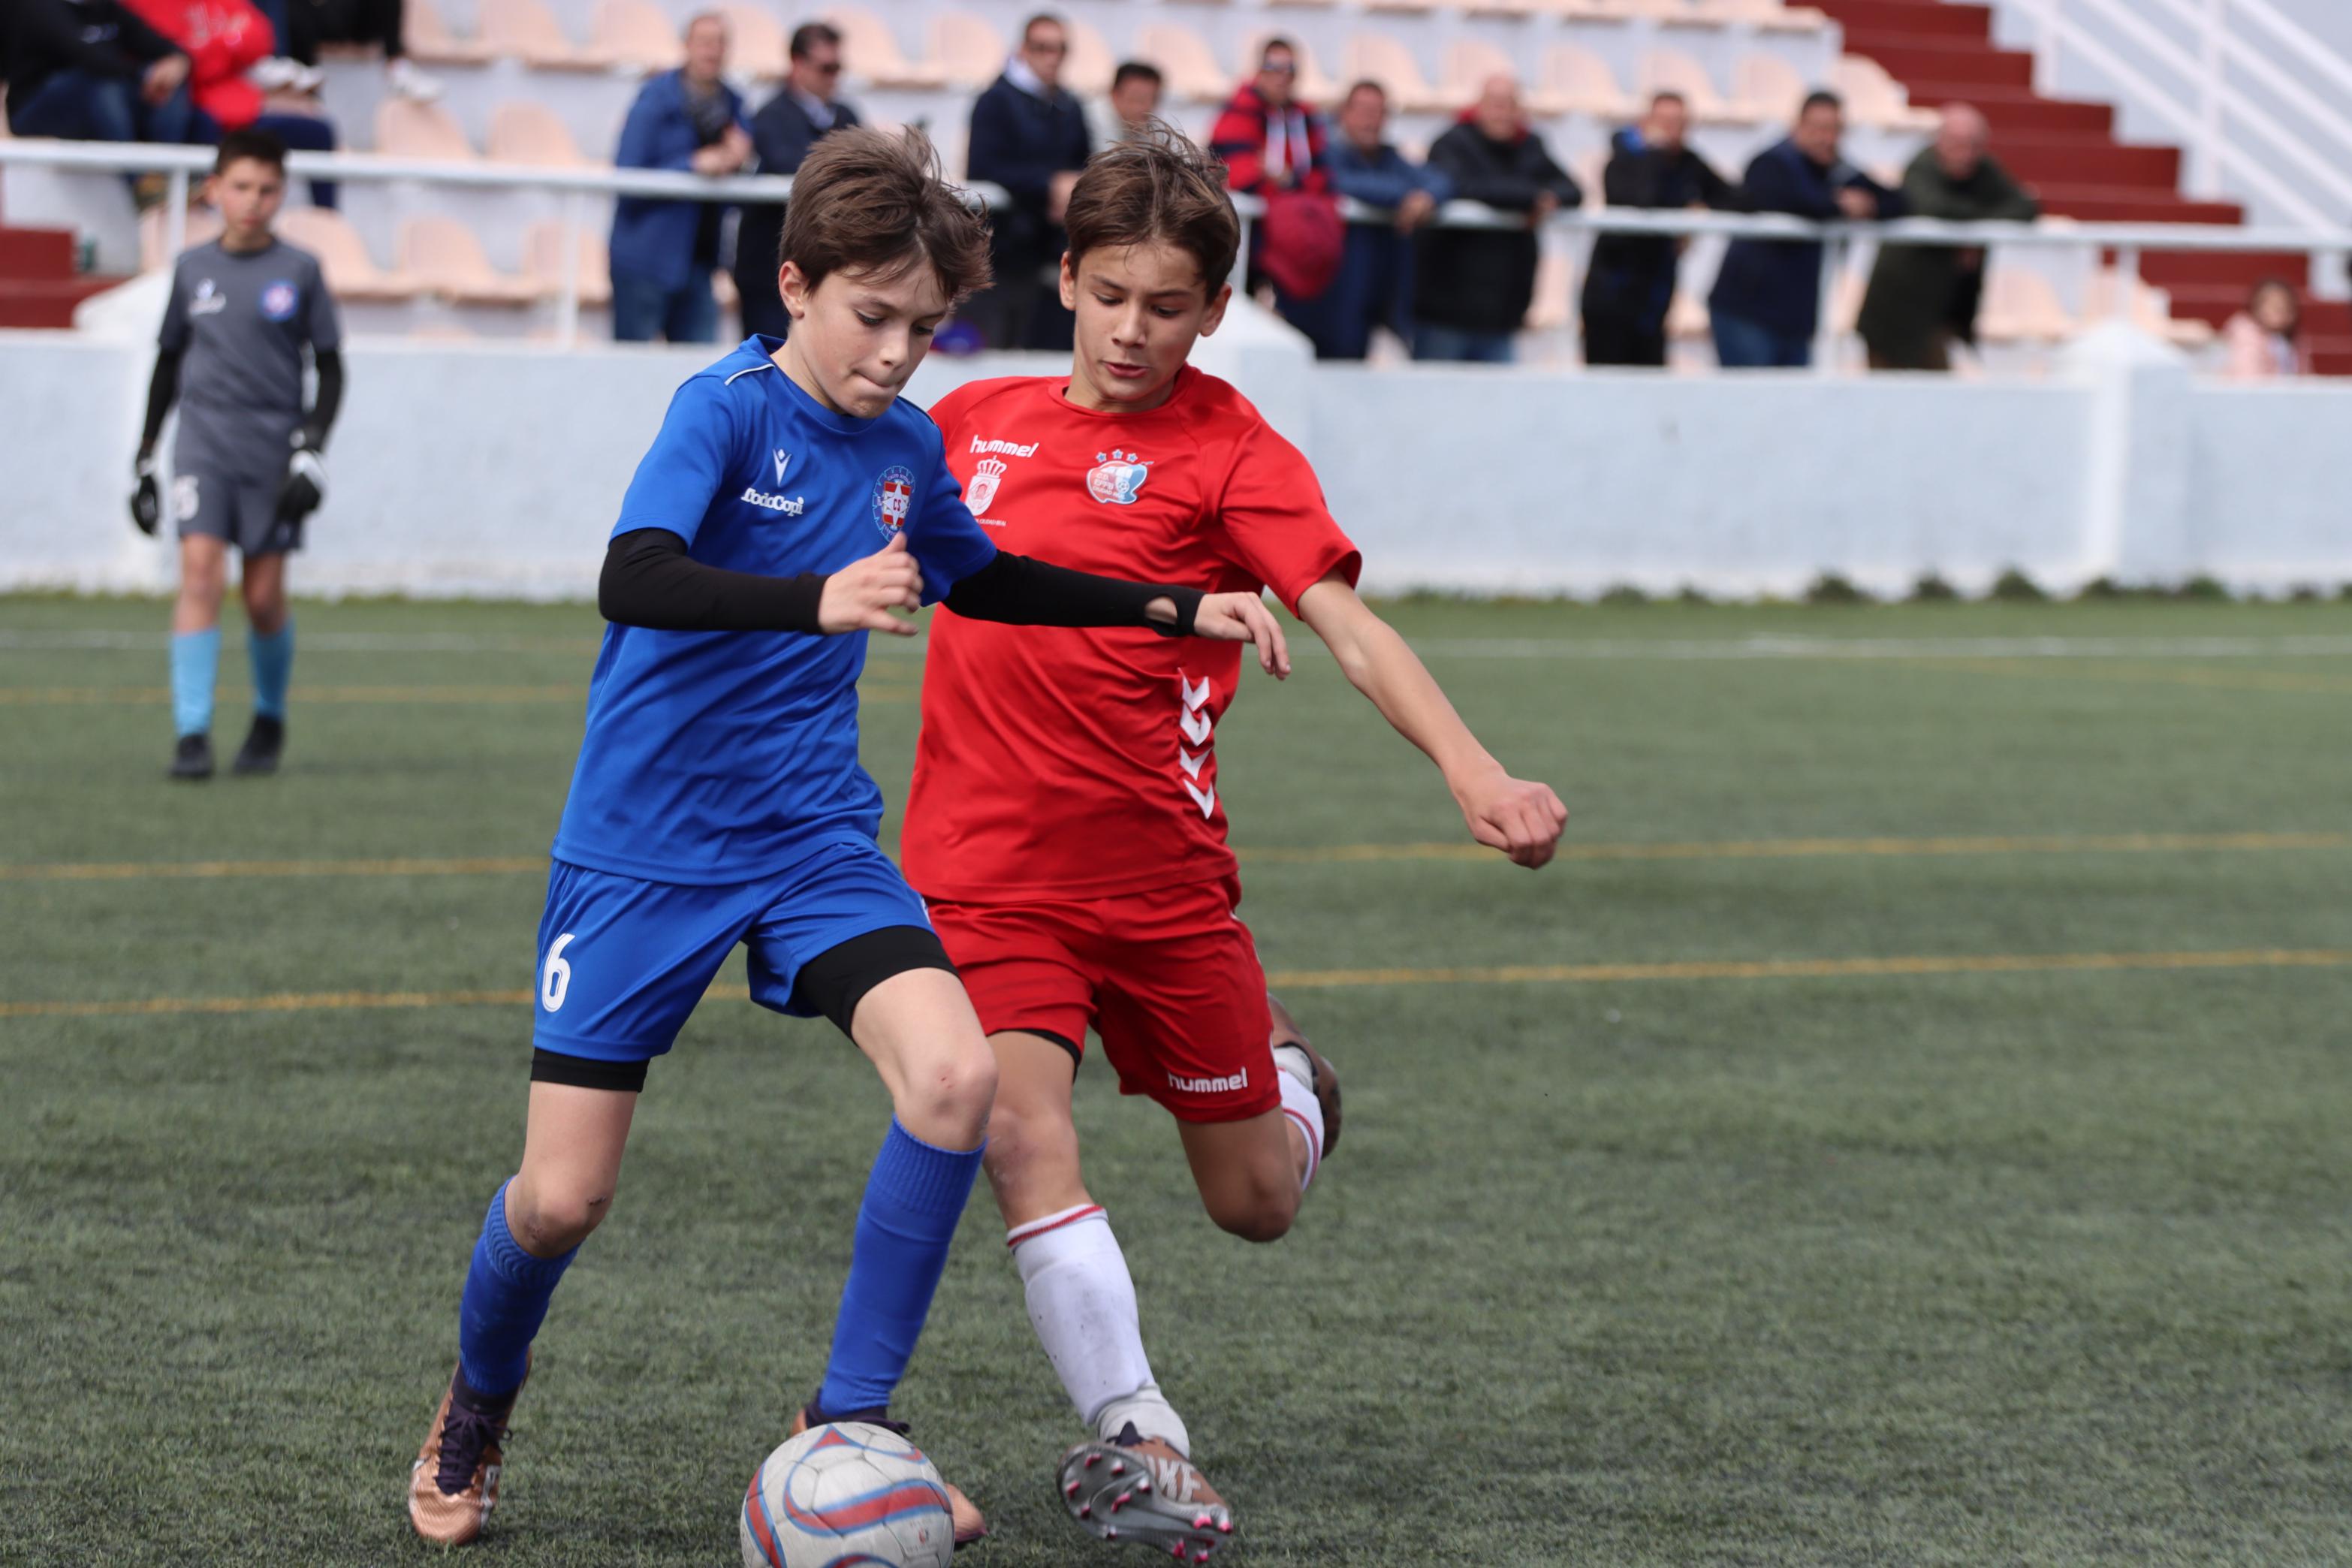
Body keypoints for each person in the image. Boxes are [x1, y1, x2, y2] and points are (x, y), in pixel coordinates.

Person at [400, 125, 1289, 1553]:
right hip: (643, 851)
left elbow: (985, 578)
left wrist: (1173, 606)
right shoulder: (722, 411)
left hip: (813, 843)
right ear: (796, 285)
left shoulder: (906, 445)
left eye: (924, 330)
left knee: (955, 1076)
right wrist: (811, 598)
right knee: (562, 1198)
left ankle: (847, 1424)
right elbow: (634, 575)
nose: (895, 356)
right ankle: (478, 1404)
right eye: (872, 318)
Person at [910, 128, 1569, 1561]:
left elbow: (1349, 627)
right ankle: (1140, 1430)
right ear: (1064, 279)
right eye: (1108, 295)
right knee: (1017, 1127)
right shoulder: (966, 423)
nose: (1130, 330)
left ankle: (1294, 1085)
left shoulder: (1233, 450)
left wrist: (1474, 768)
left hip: (1161, 886)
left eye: (1167, 305)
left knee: (1255, 1202)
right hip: (986, 876)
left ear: (1214, 310)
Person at [130, 129, 342, 782]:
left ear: (282, 193)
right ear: (215, 189)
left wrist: (311, 447)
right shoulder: (192, 268)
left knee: (263, 597)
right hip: (203, 444)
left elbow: (331, 368)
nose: (253, 201)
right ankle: (191, 734)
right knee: (199, 574)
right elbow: (168, 361)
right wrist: (145, 456)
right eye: (241, 187)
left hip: (271, 448)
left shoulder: (300, 271)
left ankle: (269, 717)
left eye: (267, 189)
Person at [1709, 89, 1900, 369]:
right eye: (1817, 128)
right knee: (1754, 395)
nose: (1825, 138)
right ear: (1797, 126)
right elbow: (1786, 198)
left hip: (1795, 320)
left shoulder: (1839, 171)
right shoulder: (1772, 163)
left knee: (1789, 396)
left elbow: (1896, 201)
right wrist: (1839, 205)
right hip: (1747, 312)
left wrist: (1867, 206)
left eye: (1833, 129)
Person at [1412, 75, 1582, 364]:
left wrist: (1546, 198)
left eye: (1509, 105)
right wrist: (1532, 198)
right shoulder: (1452, 143)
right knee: (1437, 391)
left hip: (1501, 313)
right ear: (1478, 107)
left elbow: (1572, 190)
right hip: (1446, 311)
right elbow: (1463, 185)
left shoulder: (1530, 145)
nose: (1502, 113)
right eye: (1495, 104)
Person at [1858, 104, 2038, 371]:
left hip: (1939, 313)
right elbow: (1933, 208)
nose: (1965, 154)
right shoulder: (1921, 168)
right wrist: (1975, 229)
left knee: (1936, 389)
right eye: (1957, 144)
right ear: (1939, 141)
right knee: (1897, 390)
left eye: (1973, 145)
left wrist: (1969, 230)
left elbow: (2025, 207)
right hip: (1896, 311)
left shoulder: (1984, 171)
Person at [610, 11, 752, 344]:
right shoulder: (654, 98)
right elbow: (627, 177)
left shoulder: (733, 105)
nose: (712, 51)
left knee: (695, 367)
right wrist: (692, 165)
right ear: (687, 46)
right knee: (632, 364)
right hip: (646, 260)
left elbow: (741, 186)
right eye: (705, 42)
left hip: (700, 261)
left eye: (720, 42)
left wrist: (740, 162)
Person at [1280, 79, 1448, 360]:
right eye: (1363, 110)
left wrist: (1427, 198)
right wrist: (1404, 197)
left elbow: (1440, 181)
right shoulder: (1319, 154)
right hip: (1320, 302)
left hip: (1369, 300)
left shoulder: (1389, 159)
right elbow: (1337, 181)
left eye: (1378, 112)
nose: (1371, 120)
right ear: (1344, 113)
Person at [1580, 90, 1737, 368]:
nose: (1671, 130)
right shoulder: (1621, 162)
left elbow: (1735, 198)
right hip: (1611, 296)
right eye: (1663, 122)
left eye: (1678, 122)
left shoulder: (1688, 163)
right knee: (1607, 381)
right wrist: (1653, 152)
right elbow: (1643, 200)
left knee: (1649, 381)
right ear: (1645, 123)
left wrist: (1697, 208)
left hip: (1654, 299)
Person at [963, 12, 1091, 350]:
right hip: (1002, 249)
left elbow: (1084, 162)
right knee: (997, 351)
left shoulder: (1069, 104)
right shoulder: (995, 101)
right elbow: (983, 168)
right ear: (1023, 49)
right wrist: (1048, 185)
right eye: (1042, 48)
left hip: (1053, 245)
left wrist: (1072, 186)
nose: (1052, 57)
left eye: (1060, 49)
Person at [733, 20, 861, 341]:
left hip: (823, 269)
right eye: (826, 68)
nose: (834, 77)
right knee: (770, 358)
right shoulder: (770, 116)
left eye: (838, 68)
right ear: (797, 64)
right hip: (769, 270)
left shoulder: (846, 115)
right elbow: (797, 169)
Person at [5, 0, 193, 146]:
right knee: (100, 86)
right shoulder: (39, 7)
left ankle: (163, 170)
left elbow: (155, 43)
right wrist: (146, 74)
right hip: (35, 106)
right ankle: (130, 173)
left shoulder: (107, 8)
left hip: (100, 102)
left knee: (172, 82)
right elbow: (85, 56)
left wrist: (176, 61)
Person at [2222, 278, 2310, 379]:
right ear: (2256, 307)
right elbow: (2248, 377)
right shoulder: (2246, 335)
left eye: (2286, 306)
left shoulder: (2294, 340)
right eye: (2273, 305)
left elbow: (2304, 377)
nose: (2280, 310)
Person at [1088, 59, 1162, 149]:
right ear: (1115, 95)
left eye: (1154, 100)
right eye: (1138, 99)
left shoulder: (1153, 124)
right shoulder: (1088, 120)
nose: (1147, 107)